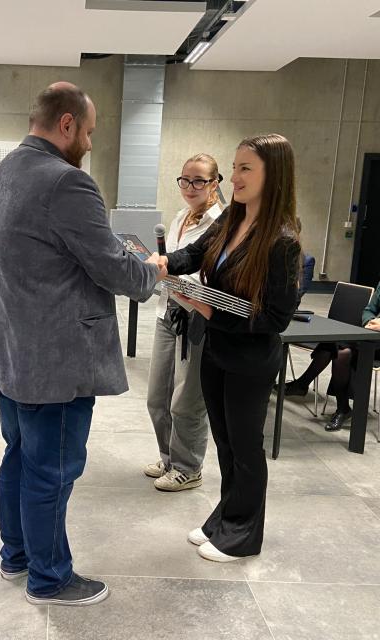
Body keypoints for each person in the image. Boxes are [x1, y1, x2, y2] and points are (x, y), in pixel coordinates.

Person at [0, 82, 166, 606]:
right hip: (52, 361)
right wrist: (150, 269)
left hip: (9, 353)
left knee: (20, 457)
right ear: (67, 124)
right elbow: (116, 271)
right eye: (90, 132)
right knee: (51, 471)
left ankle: (17, 555)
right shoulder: (66, 182)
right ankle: (50, 578)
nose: (90, 142)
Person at [165, 134, 301, 562]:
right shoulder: (231, 218)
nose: (235, 177)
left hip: (250, 360)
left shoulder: (282, 240)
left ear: (272, 175)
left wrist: (208, 310)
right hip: (217, 350)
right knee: (225, 444)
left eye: (245, 169)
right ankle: (226, 517)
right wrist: (162, 263)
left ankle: (243, 535)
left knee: (245, 448)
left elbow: (274, 319)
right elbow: (193, 254)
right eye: (235, 167)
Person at [144, 154, 223, 492]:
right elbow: (175, 261)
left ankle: (188, 467)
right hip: (168, 313)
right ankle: (169, 459)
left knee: (187, 401)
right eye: (185, 180)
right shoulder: (179, 217)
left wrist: (173, 277)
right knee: (157, 398)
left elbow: (209, 275)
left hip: (196, 317)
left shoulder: (221, 224)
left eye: (199, 180)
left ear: (214, 183)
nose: (190, 187)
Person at [282, 280, 380, 431]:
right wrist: (369, 321)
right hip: (371, 334)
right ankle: (342, 408)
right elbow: (369, 310)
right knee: (337, 348)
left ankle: (303, 385)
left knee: (338, 348)